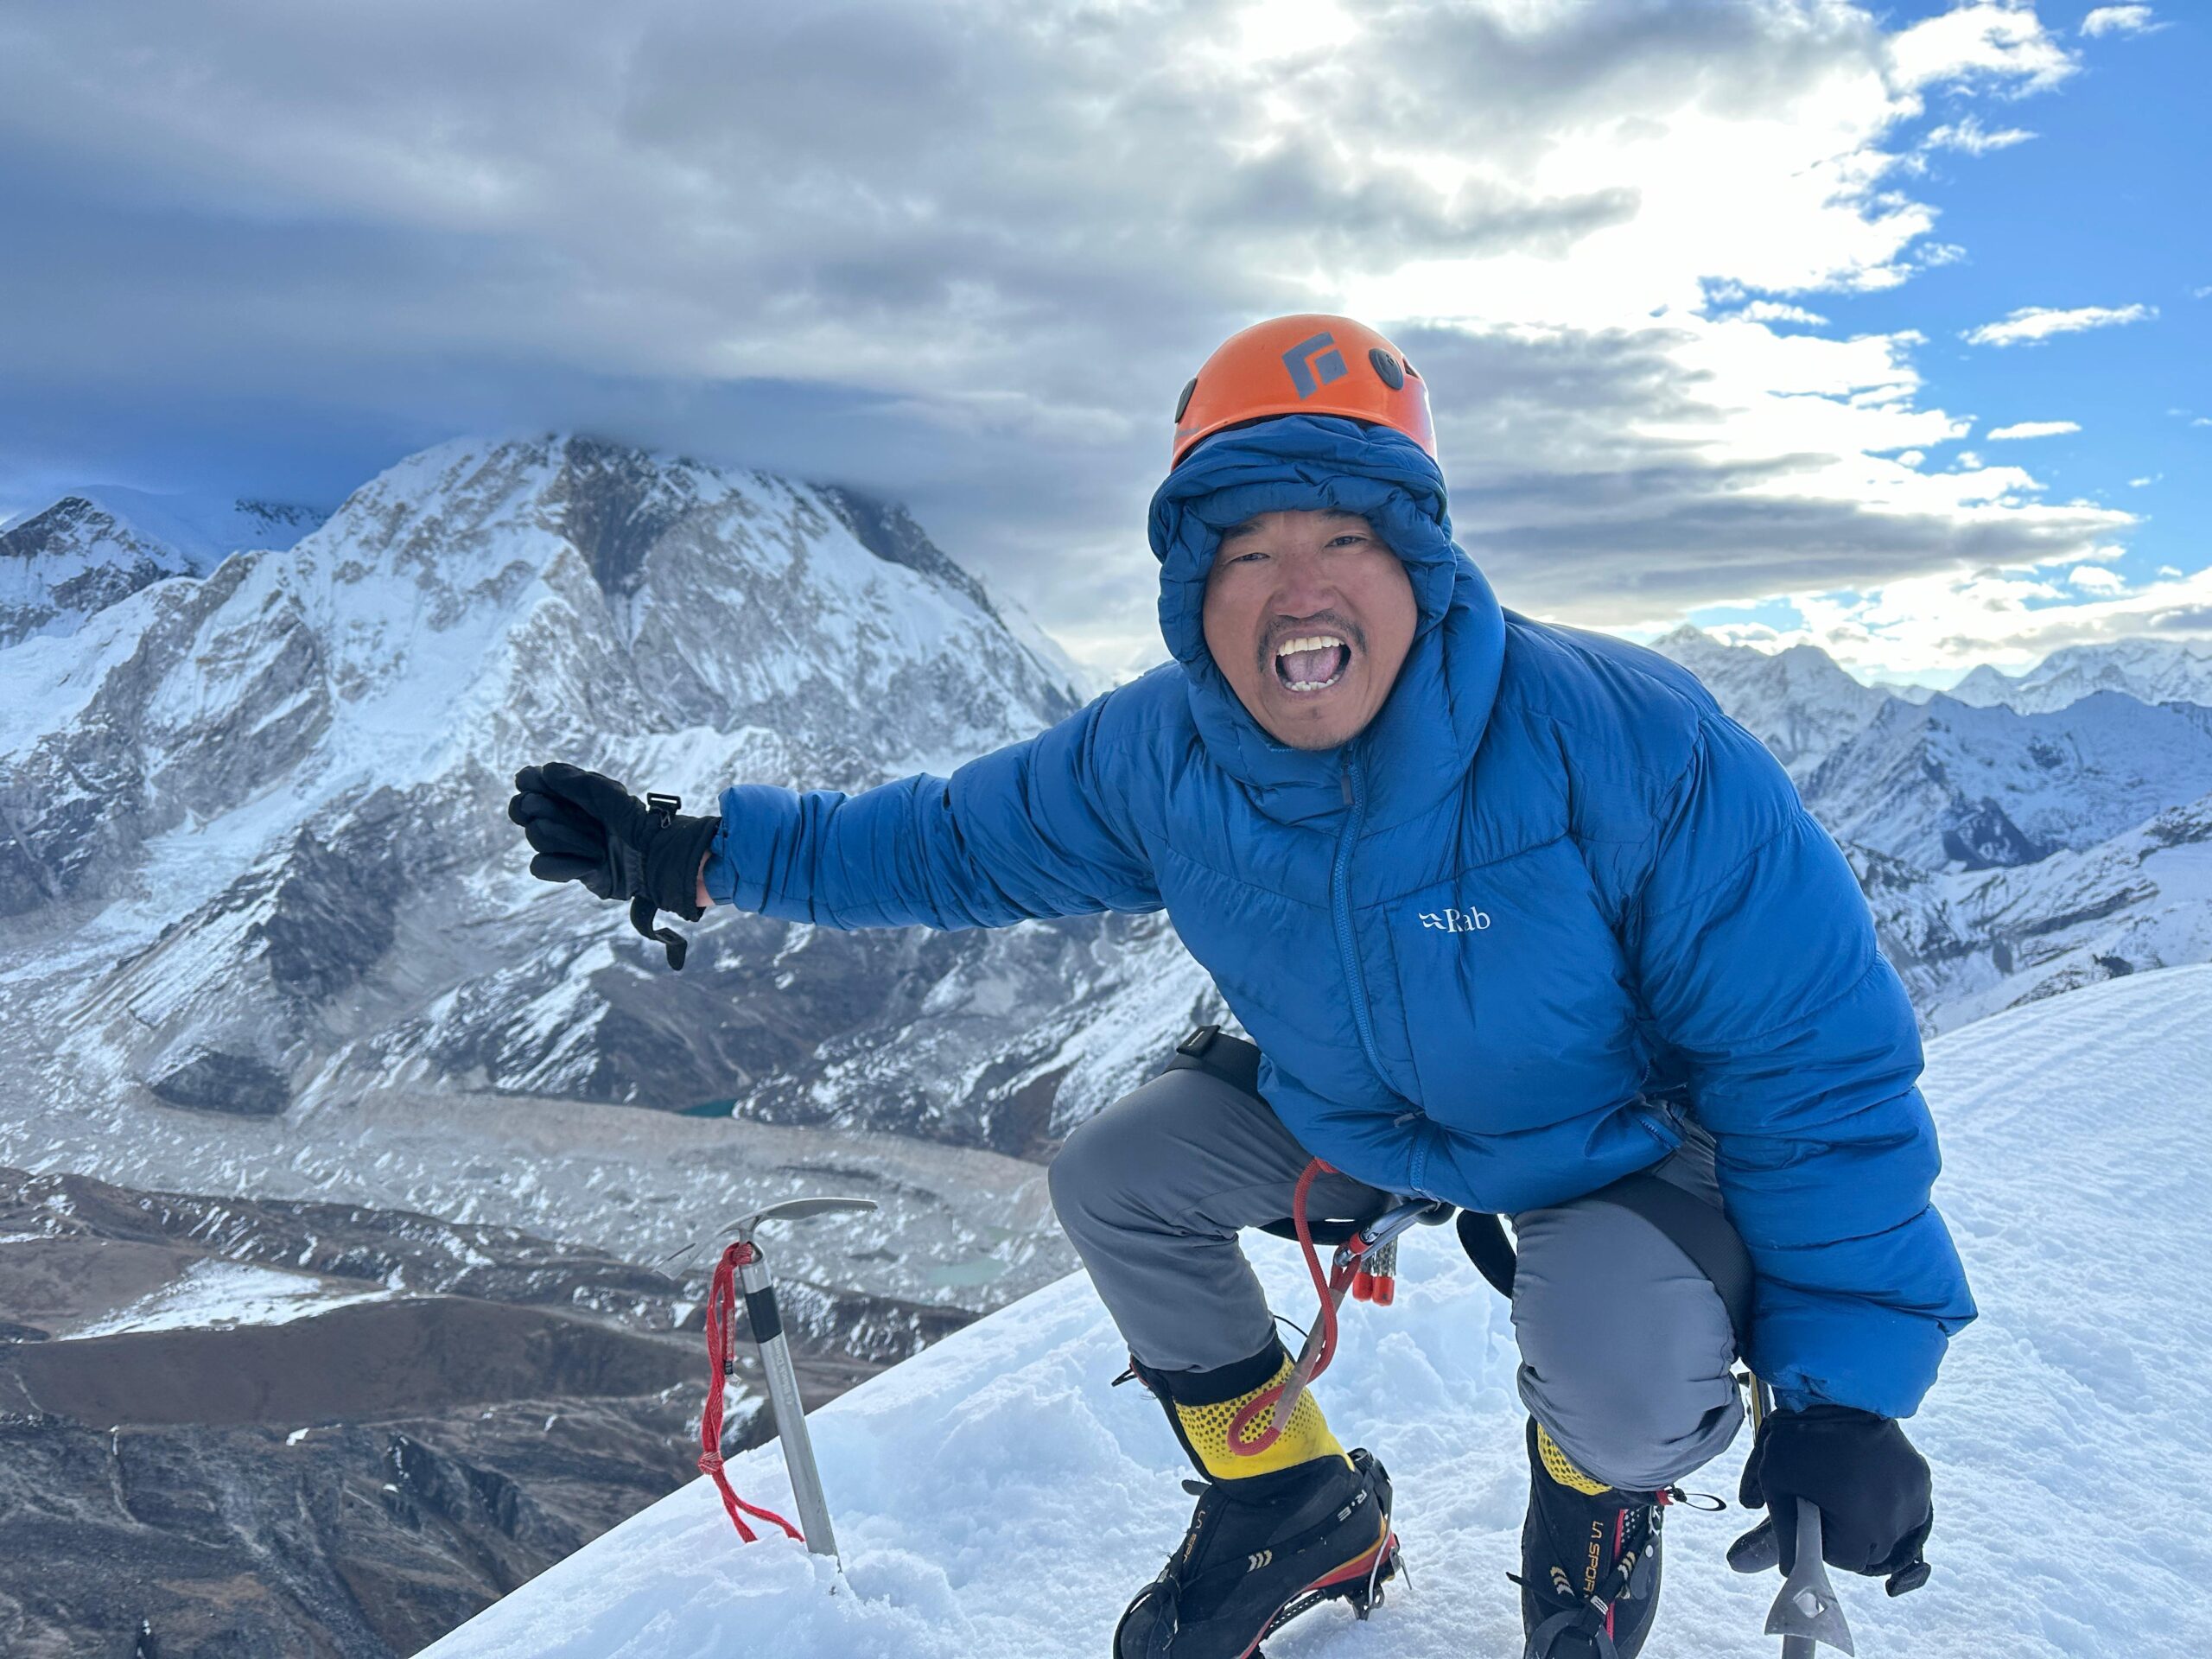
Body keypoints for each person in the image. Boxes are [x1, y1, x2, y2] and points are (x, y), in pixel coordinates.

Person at [509, 314, 1976, 1658]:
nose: (1298, 588)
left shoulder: (1630, 745)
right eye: (1242, 547)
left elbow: (1815, 1066)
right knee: (1118, 1177)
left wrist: (1845, 1397)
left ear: (1426, 564)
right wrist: (703, 857)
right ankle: (1293, 1502)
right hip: (1362, 1113)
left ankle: (1594, 1492)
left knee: (1626, 1375)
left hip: (1617, 1144)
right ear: (1188, 585)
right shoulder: (1163, 755)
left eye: (1346, 534)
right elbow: (954, 842)